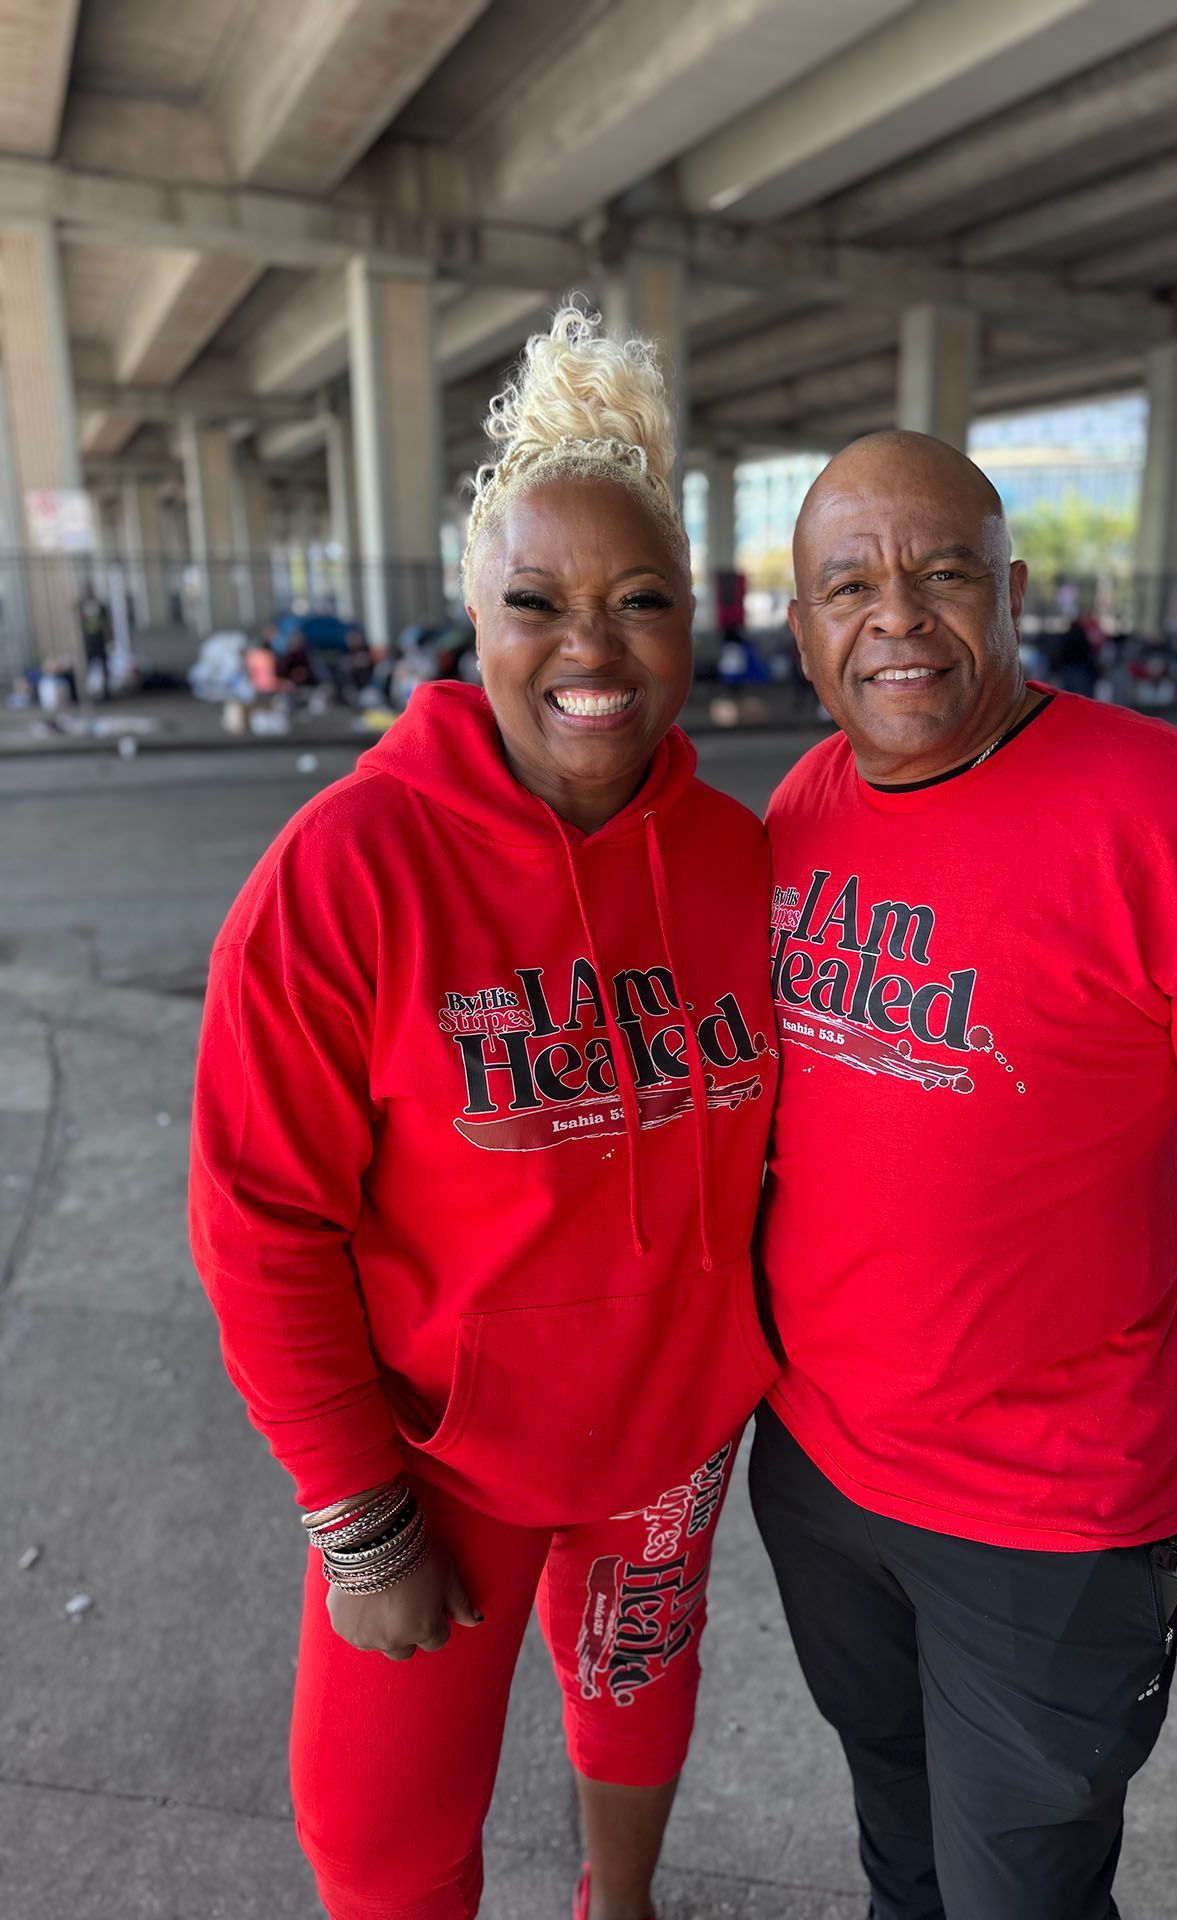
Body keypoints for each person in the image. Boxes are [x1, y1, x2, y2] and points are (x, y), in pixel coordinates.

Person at [753, 431, 1177, 1920]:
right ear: (799, 627)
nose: (896, 617)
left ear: (1016, 590)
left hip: (1042, 1518)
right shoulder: (797, 811)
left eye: (941, 575)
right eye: (847, 584)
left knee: (1023, 1896)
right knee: (900, 1847)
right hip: (817, 1472)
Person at [190, 308, 780, 1920]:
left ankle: (622, 1907)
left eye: (639, 604)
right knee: (380, 1826)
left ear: (691, 625)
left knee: (635, 1696)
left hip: (667, 1436)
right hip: (433, 1461)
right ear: (474, 615)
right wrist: (360, 1520)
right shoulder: (346, 872)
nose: (591, 648)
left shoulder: (744, 862)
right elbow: (259, 1224)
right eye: (539, 603)